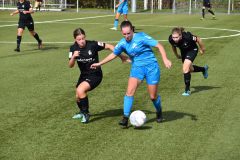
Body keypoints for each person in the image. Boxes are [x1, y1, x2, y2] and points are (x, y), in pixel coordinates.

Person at [91, 21, 172, 127]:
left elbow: (159, 46)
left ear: (132, 30)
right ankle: (125, 118)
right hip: (137, 69)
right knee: (129, 92)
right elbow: (113, 54)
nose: (126, 36)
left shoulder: (142, 37)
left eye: (128, 33)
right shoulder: (122, 43)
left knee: (153, 96)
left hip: (151, 68)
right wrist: (100, 63)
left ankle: (159, 111)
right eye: (124, 34)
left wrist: (165, 59)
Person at [69, 28, 129, 123]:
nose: (82, 41)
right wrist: (73, 57)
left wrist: (121, 56)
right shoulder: (73, 48)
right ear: (75, 39)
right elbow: (70, 65)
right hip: (84, 75)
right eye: (79, 39)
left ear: (85, 37)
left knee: (80, 90)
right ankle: (81, 112)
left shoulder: (92, 44)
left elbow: (109, 46)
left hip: (95, 75)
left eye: (83, 38)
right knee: (77, 95)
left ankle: (86, 113)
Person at [168, 27, 209, 96]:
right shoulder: (171, 39)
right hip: (184, 51)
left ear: (180, 35)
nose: (174, 39)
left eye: (176, 37)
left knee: (185, 68)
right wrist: (177, 55)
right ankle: (203, 69)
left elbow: (198, 39)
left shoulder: (188, 37)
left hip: (192, 50)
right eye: (173, 37)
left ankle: (187, 90)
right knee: (191, 69)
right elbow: (173, 46)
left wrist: (202, 49)